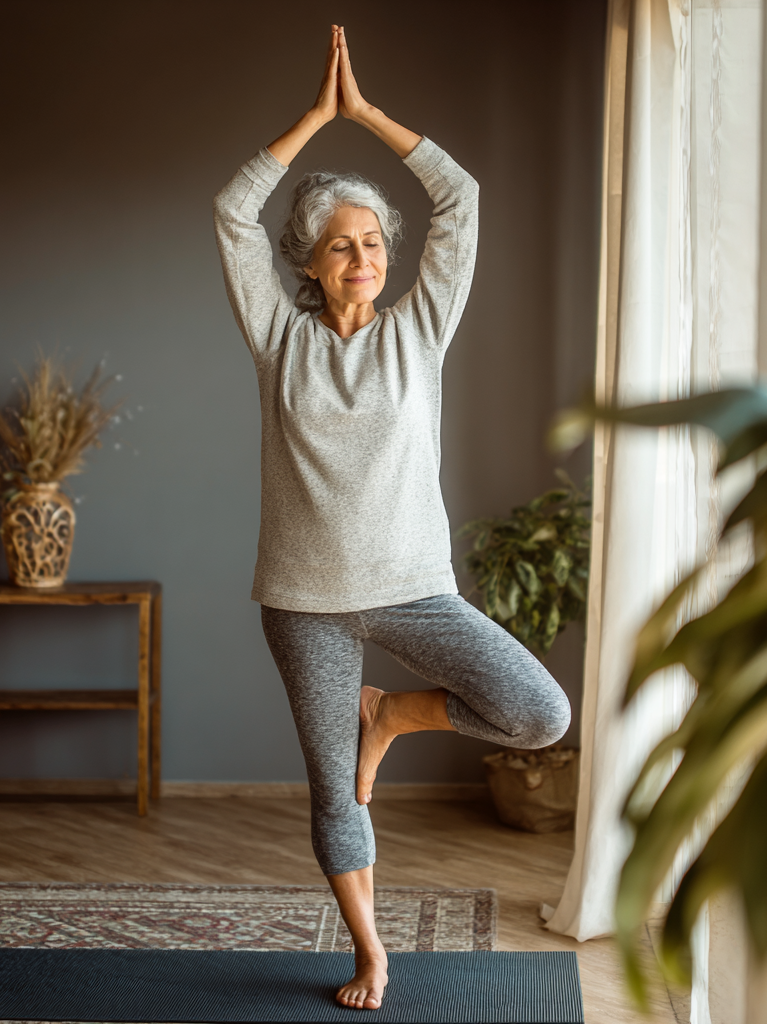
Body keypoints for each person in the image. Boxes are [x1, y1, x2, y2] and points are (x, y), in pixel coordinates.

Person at [213, 25, 570, 1011]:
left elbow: (460, 197)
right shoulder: (276, 336)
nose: (365, 256)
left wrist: (364, 116)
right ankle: (370, 951)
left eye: (374, 242)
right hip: (302, 602)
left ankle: (391, 714)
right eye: (343, 245)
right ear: (311, 263)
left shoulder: (420, 328)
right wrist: (312, 123)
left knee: (539, 714)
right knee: (336, 794)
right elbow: (230, 209)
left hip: (414, 587)